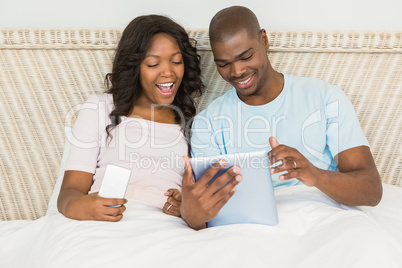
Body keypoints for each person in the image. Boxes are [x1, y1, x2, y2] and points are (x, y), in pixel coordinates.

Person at [179, 6, 383, 230]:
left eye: (246, 56)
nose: (236, 71)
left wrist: (314, 175)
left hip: (323, 223)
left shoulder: (324, 97)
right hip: (253, 230)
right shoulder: (209, 122)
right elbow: (207, 214)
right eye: (223, 64)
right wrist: (191, 210)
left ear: (264, 40)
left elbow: (371, 189)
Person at [57, 15, 205, 221]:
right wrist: (81, 206)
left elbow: (200, 205)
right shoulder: (100, 107)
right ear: (134, 67)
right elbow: (69, 192)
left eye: (176, 61)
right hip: (104, 220)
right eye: (153, 64)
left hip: (165, 225)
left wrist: (185, 207)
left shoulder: (193, 121)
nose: (168, 72)